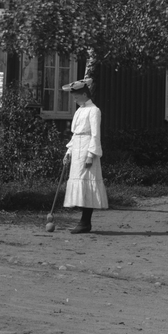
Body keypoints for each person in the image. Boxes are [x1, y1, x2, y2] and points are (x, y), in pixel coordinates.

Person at [62, 78, 107, 233]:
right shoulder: (80, 110)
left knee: (88, 184)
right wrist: (69, 151)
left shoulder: (94, 110)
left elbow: (95, 135)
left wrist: (91, 155)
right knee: (80, 184)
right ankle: (83, 221)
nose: (74, 99)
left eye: (76, 96)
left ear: (84, 94)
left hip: (87, 149)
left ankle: (85, 222)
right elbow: (75, 134)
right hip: (77, 149)